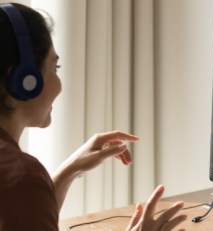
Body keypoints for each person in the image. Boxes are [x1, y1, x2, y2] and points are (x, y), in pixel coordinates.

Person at [0, 3, 186, 230]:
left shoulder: (20, 183)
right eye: (54, 68)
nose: (59, 85)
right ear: (23, 80)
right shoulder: (22, 181)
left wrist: (71, 169)